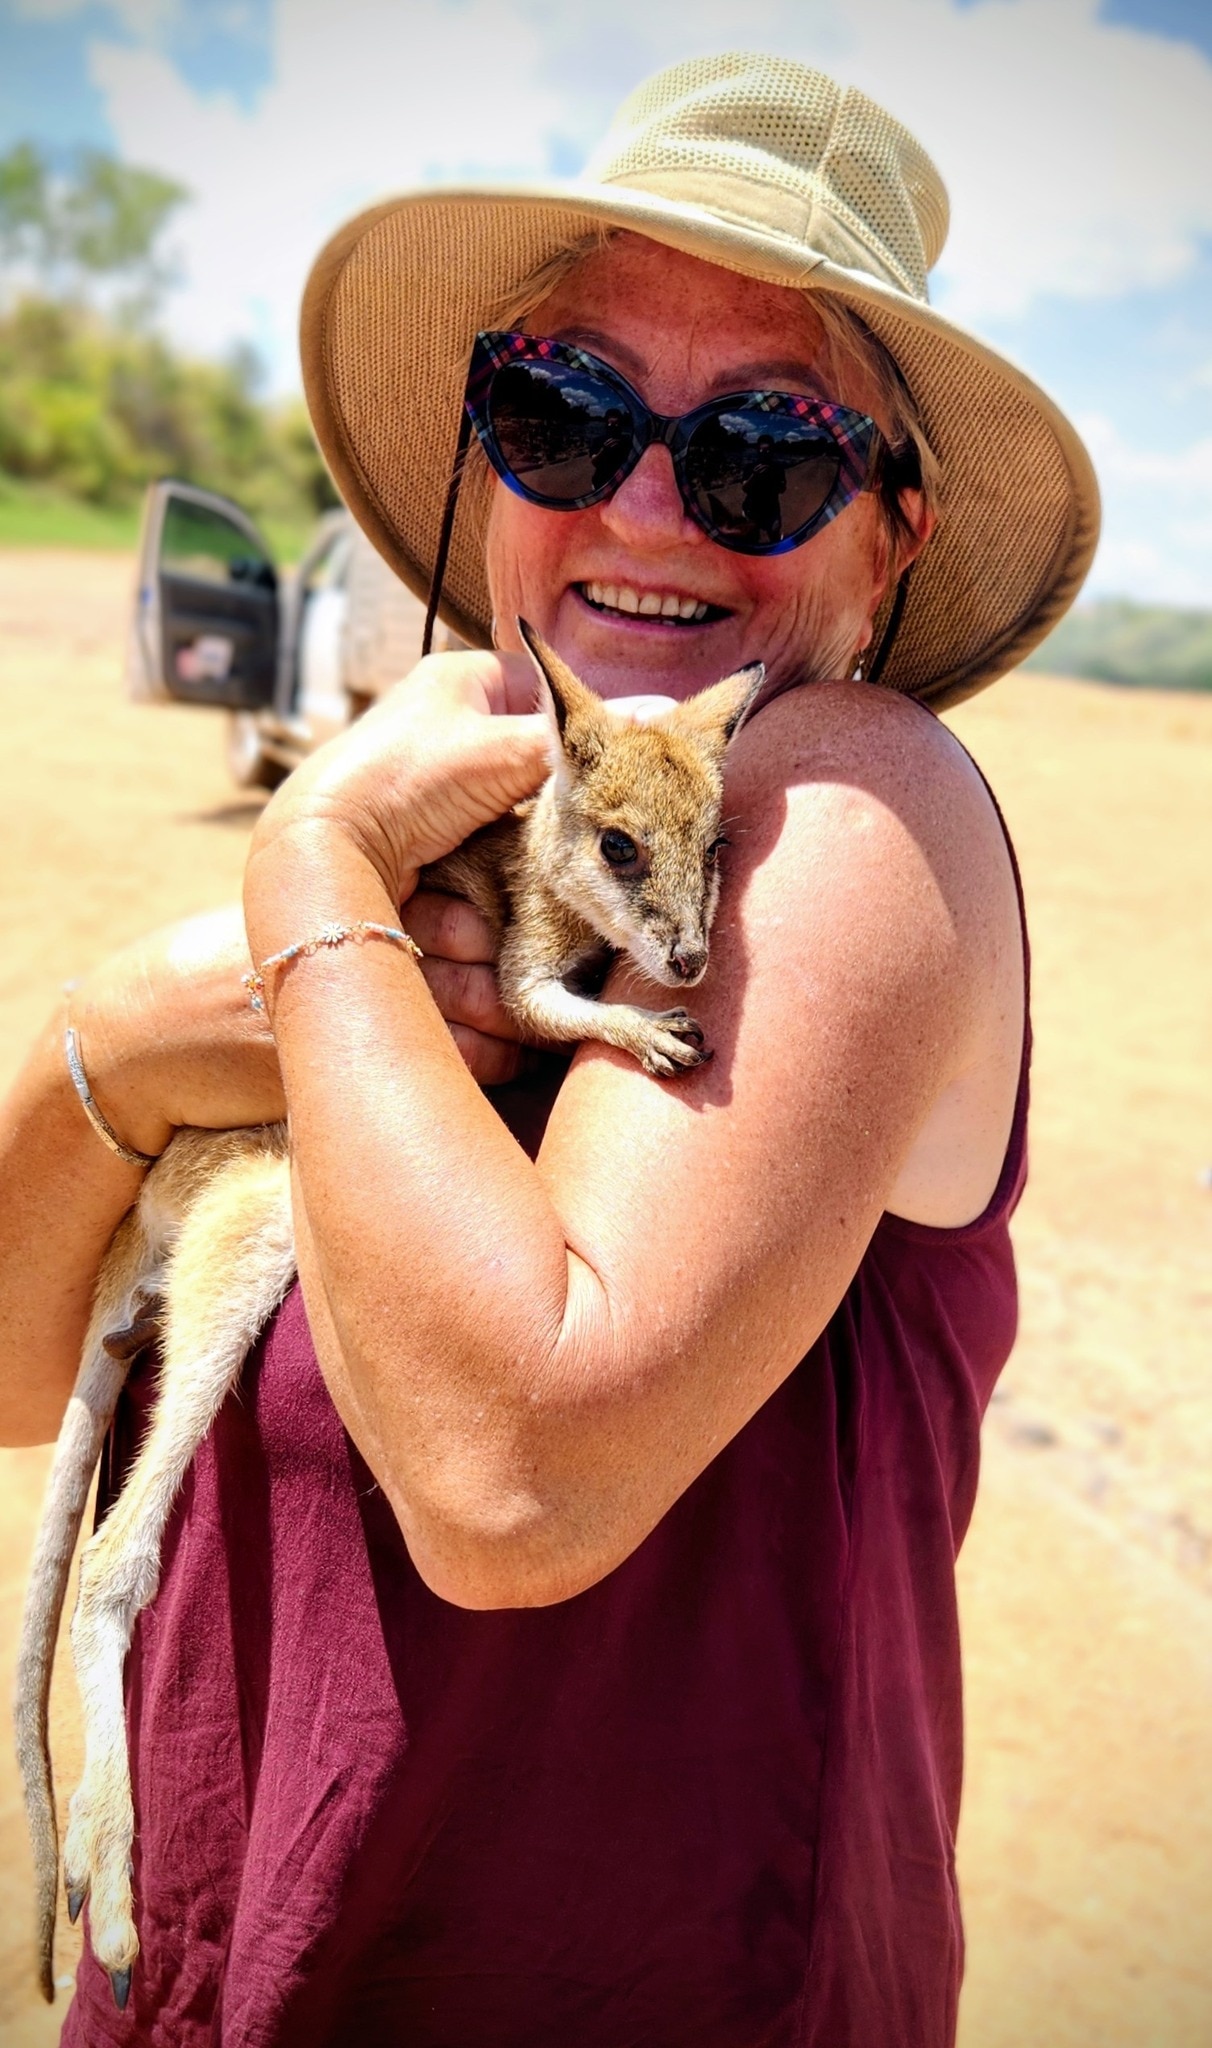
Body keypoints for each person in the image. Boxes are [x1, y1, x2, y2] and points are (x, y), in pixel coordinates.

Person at [0, 51, 1098, 2048]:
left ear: (890, 539)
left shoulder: (849, 804)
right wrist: (119, 1037)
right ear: (488, 457)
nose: (646, 506)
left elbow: (511, 1475)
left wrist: (312, 874)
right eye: (562, 412)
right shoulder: (422, 858)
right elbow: (6, 1364)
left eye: (764, 453)